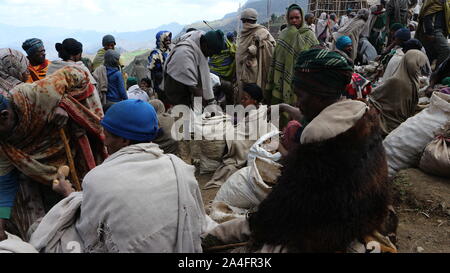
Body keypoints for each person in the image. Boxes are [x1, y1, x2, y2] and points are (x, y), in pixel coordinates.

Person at [202, 48, 397, 253]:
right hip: (365, 217)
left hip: (329, 233)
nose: (298, 102)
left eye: (300, 95)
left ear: (319, 95)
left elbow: (279, 213)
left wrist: (218, 235)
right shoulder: (361, 114)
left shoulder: (319, 138)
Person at [31, 99, 215, 253]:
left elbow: (91, 236)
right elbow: (197, 220)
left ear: (124, 140)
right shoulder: (180, 167)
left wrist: (70, 198)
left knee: (46, 231)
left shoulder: (97, 178)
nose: (104, 140)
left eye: (107, 135)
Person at [0, 66, 106, 242]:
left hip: (73, 154)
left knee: (90, 205)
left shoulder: (38, 94)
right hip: (44, 177)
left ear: (4, 116)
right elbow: (4, 183)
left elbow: (79, 74)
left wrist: (63, 103)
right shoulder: (4, 144)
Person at [265, 3, 319, 120]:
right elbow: (277, 56)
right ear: (288, 19)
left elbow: (315, 56)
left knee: (299, 108)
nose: (294, 20)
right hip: (282, 75)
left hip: (302, 78)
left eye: (297, 18)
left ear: (302, 17)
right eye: (291, 18)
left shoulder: (309, 35)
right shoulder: (284, 34)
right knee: (281, 112)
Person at [369, 50, 430, 136]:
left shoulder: (412, 79)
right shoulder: (397, 81)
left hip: (401, 119)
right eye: (418, 65)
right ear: (412, 64)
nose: (419, 68)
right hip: (390, 119)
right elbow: (374, 96)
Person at [164, 29, 226, 108]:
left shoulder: (200, 40)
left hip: (187, 84)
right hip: (175, 84)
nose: (211, 56)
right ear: (205, 45)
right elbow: (194, 88)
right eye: (211, 53)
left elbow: (202, 80)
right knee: (182, 110)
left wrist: (210, 101)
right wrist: (210, 105)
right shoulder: (185, 54)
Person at [235, 8, 276, 103]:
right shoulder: (242, 35)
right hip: (242, 73)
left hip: (257, 72)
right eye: (245, 21)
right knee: (243, 96)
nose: (246, 24)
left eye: (248, 21)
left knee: (254, 96)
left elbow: (272, 49)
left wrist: (260, 45)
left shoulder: (262, 32)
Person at [416, 0, 450, 67]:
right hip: (435, 30)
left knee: (432, 54)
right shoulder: (431, 1)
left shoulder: (446, 2)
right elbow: (426, 16)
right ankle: (438, 71)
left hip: (442, 31)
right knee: (446, 50)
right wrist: (429, 33)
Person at [148, 31, 172, 105]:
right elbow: (152, 68)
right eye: (166, 40)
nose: (168, 42)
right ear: (161, 41)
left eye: (169, 40)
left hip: (171, 82)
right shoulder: (155, 53)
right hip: (160, 84)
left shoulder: (171, 51)